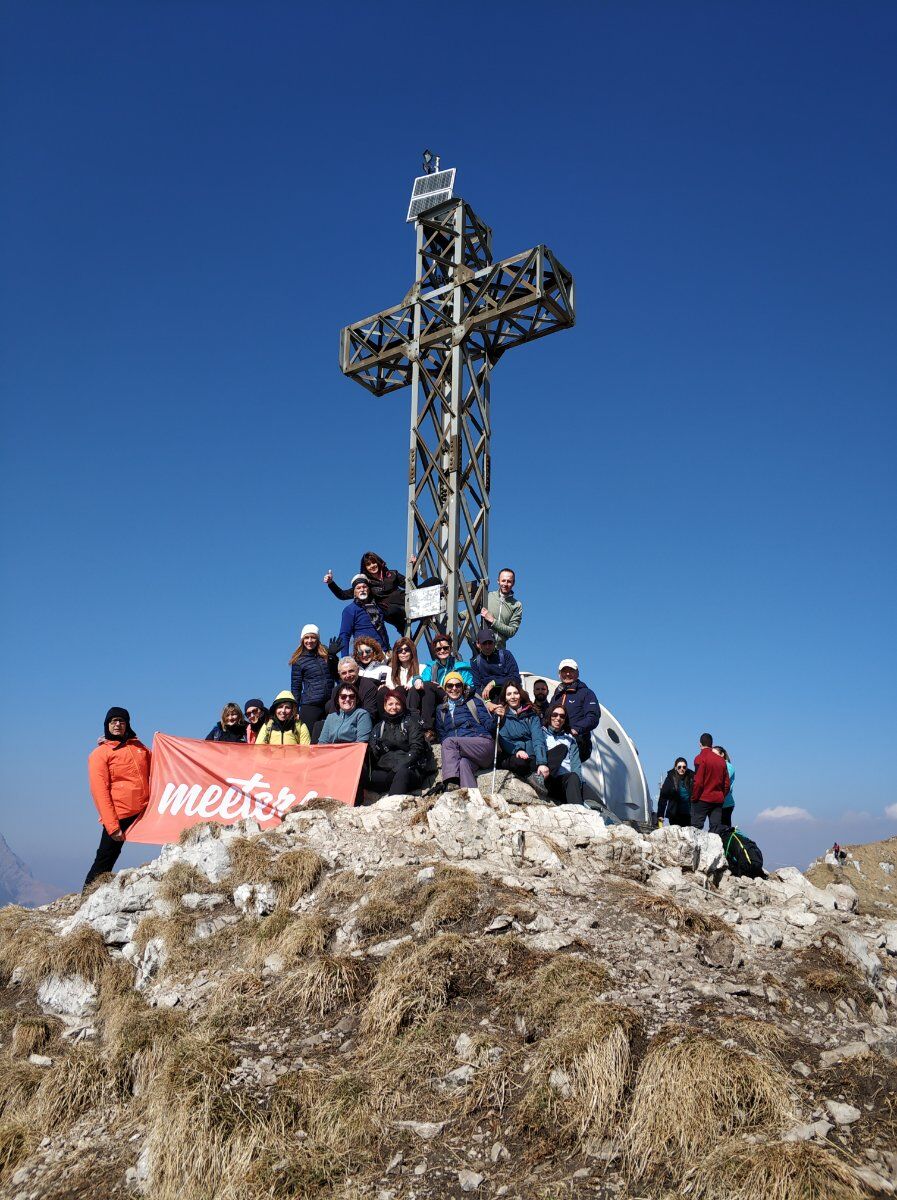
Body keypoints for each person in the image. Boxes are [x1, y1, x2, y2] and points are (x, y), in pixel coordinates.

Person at [84, 707, 151, 889]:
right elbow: (100, 792)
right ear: (107, 725)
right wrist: (112, 826)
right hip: (120, 814)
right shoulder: (99, 754)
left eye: (121, 721)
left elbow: (160, 765)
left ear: (127, 724)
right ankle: (87, 897)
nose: (118, 724)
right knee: (105, 859)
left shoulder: (139, 748)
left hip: (146, 809)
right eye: (113, 721)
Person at [436, 672, 497, 789]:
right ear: (445, 688)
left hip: (482, 744)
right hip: (464, 753)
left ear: (463, 688)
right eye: (450, 686)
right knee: (463, 764)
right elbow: (442, 734)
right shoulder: (441, 710)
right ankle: (471, 798)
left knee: (449, 742)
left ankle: (451, 782)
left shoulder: (473, 702)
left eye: (458, 685)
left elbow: (489, 725)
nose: (454, 688)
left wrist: (497, 717)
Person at [325, 550, 406, 634]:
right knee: (394, 614)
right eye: (368, 564)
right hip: (391, 612)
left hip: (405, 603)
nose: (372, 566)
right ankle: (403, 630)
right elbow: (343, 595)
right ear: (365, 567)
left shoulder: (392, 574)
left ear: (378, 562)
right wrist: (331, 583)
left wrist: (414, 564)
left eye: (374, 562)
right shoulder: (366, 584)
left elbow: (410, 584)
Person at [367, 689, 429, 797]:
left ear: (402, 706)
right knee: (364, 776)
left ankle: (392, 808)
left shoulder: (411, 723)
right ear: (385, 707)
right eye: (390, 704)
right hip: (386, 771)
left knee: (402, 774)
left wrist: (397, 768)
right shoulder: (379, 727)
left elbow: (416, 749)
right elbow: (374, 753)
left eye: (397, 704)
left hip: (409, 770)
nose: (394, 707)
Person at [494, 681, 549, 788]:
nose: (513, 697)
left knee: (557, 752)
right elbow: (503, 738)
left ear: (520, 695)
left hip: (531, 753)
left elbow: (538, 738)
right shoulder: (502, 715)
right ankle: (532, 776)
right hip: (512, 754)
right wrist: (518, 750)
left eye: (515, 693)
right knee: (520, 763)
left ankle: (537, 772)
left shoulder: (531, 714)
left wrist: (542, 762)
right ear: (505, 697)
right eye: (509, 694)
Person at [289, 624, 339, 735]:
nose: (310, 641)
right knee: (309, 736)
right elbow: (296, 688)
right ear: (302, 640)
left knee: (333, 734)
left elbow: (337, 674)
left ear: (318, 639)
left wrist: (332, 656)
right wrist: (295, 710)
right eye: (306, 638)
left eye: (313, 637)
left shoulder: (326, 653)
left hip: (330, 701)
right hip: (311, 703)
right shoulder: (298, 661)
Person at [386, 637, 439, 737]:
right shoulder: (391, 672)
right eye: (399, 650)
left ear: (412, 651)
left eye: (407, 650)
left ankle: (424, 728)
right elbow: (390, 689)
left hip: (417, 703)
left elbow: (425, 686)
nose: (403, 653)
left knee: (416, 690)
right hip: (399, 703)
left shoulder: (422, 668)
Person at [550, 661, 601, 762]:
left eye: (571, 671)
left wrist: (576, 729)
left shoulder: (586, 693)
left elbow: (593, 717)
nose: (567, 674)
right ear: (559, 674)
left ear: (577, 673)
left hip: (577, 742)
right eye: (564, 671)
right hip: (556, 741)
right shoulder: (556, 696)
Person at [338, 576, 391, 656]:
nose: (362, 590)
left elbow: (382, 630)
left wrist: (388, 649)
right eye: (358, 588)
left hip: (381, 653)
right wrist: (345, 657)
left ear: (368, 589)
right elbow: (344, 635)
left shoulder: (377, 607)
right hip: (363, 653)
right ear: (354, 592)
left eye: (364, 587)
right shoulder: (350, 610)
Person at [542, 705, 584, 805]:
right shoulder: (541, 734)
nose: (558, 718)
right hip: (546, 777)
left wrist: (579, 784)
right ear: (549, 716)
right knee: (561, 749)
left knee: (574, 777)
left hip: (562, 782)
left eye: (562, 716)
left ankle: (579, 813)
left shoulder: (570, 740)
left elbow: (576, 765)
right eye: (555, 715)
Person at [691, 732, 730, 833]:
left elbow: (698, 782)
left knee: (696, 828)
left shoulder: (699, 759)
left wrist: (694, 798)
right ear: (712, 745)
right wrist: (721, 795)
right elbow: (726, 784)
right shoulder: (721, 761)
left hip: (702, 798)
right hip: (717, 800)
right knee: (716, 829)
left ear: (700, 744)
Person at [317, 681, 373, 748]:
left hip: (352, 754)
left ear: (356, 699)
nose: (347, 699)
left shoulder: (361, 715)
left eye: (351, 696)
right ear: (338, 700)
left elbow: (362, 743)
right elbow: (322, 743)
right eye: (343, 696)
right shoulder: (330, 717)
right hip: (331, 754)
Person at [471, 629, 521, 700]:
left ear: (495, 643)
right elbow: (477, 687)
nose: (487, 646)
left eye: (490, 643)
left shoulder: (506, 655)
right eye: (484, 643)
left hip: (509, 698)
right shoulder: (475, 662)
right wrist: (487, 703)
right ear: (478, 644)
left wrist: (494, 683)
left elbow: (516, 678)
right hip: (488, 702)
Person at [479, 568, 522, 649]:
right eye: (503, 580)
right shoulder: (488, 596)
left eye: (509, 581)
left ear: (513, 583)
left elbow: (511, 631)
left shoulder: (517, 605)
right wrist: (456, 616)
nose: (505, 584)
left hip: (499, 651)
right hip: (481, 648)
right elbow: (471, 611)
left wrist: (493, 621)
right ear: (498, 581)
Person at [657, 757, 694, 827]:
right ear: (675, 768)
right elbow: (663, 797)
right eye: (679, 767)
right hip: (674, 814)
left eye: (684, 767)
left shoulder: (691, 778)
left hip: (689, 814)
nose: (682, 769)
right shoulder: (670, 779)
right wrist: (660, 814)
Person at [715, 745, 735, 827]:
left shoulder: (728, 766)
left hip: (726, 803)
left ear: (722, 754)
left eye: (715, 755)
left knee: (725, 829)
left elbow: (722, 780)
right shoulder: (716, 766)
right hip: (717, 803)